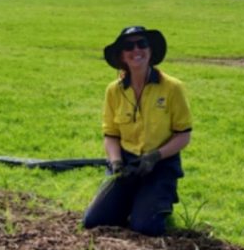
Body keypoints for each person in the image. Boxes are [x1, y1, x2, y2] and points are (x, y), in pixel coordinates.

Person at [82, 26, 192, 236]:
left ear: (150, 51)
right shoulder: (114, 90)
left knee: (145, 227)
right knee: (93, 221)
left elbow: (183, 135)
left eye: (142, 44)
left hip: (159, 163)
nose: (136, 50)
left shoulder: (172, 88)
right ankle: (132, 198)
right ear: (122, 56)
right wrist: (115, 163)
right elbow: (111, 135)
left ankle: (158, 198)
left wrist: (155, 156)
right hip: (126, 163)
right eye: (128, 46)